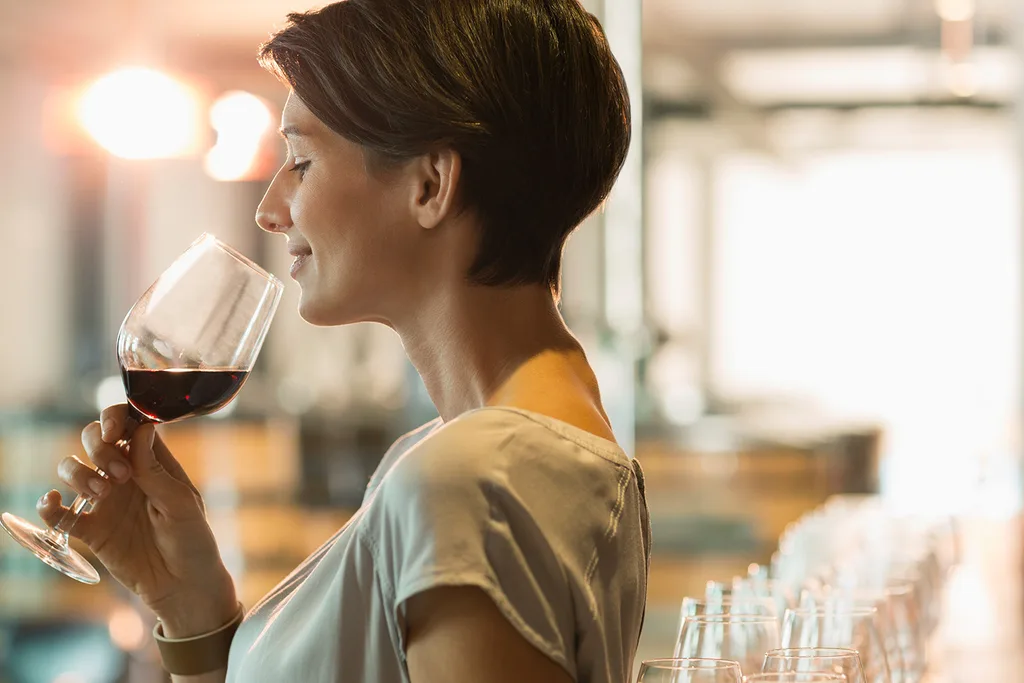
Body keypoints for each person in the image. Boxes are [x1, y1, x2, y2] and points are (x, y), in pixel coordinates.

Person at [37, 0, 651, 681]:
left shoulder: (474, 475)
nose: (269, 210)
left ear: (430, 184)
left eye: (300, 161)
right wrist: (190, 607)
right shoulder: (472, 454)